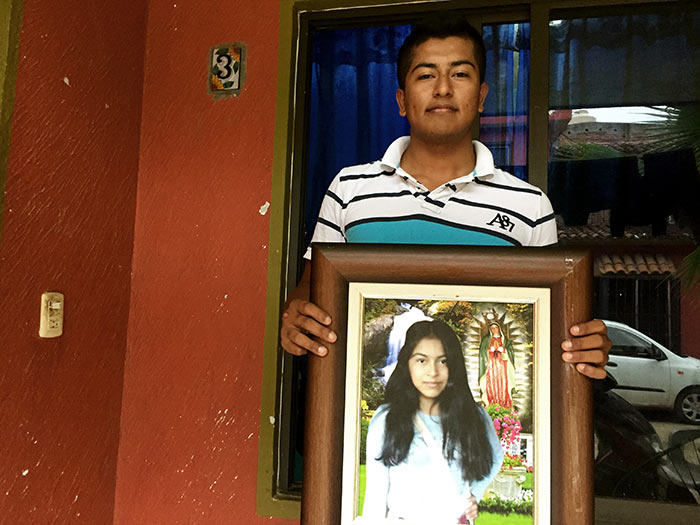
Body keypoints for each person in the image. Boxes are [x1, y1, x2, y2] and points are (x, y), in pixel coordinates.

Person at [280, 17, 610, 376]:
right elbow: (311, 293)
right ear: (402, 101)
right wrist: (296, 317)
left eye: (460, 74)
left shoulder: (529, 206)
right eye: (425, 75)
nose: (442, 89)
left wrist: (581, 346)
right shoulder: (349, 189)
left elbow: (550, 323)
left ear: (481, 96)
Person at [363, 320, 502, 523]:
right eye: (422, 361)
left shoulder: (473, 415)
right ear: (407, 363)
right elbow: (376, 496)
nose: (433, 372)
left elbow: (496, 457)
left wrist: (474, 496)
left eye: (442, 361)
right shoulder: (386, 419)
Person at [478, 321, 515, 408]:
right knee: (491, 382)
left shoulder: (505, 340)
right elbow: (482, 352)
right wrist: (488, 350)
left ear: (499, 328)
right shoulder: (486, 339)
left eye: (496, 327)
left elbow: (510, 351)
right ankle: (491, 403)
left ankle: (503, 403)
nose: (494, 329)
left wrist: (504, 350)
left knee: (502, 382)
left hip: (502, 365)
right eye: (492, 328)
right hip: (491, 365)